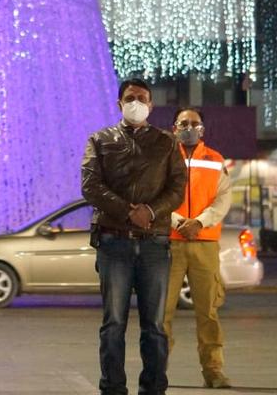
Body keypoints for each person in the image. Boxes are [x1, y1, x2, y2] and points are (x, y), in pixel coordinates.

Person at [82, 78, 186, 395]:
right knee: (113, 324)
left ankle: (153, 388)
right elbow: (90, 186)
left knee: (154, 326)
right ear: (119, 104)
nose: (136, 103)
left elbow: (178, 187)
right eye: (130, 98)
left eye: (142, 98)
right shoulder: (100, 140)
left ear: (151, 105)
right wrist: (128, 211)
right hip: (113, 242)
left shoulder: (167, 142)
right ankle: (112, 388)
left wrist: (151, 212)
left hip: (154, 243)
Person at [161, 107, 232, 389]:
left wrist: (199, 222)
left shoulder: (215, 160)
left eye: (194, 123)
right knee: (161, 314)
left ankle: (213, 370)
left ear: (202, 129)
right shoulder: (164, 159)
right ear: (174, 128)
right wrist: (178, 222)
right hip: (170, 243)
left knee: (208, 313)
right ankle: (157, 369)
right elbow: (156, 196)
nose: (189, 128)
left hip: (205, 243)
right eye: (183, 123)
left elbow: (223, 199)